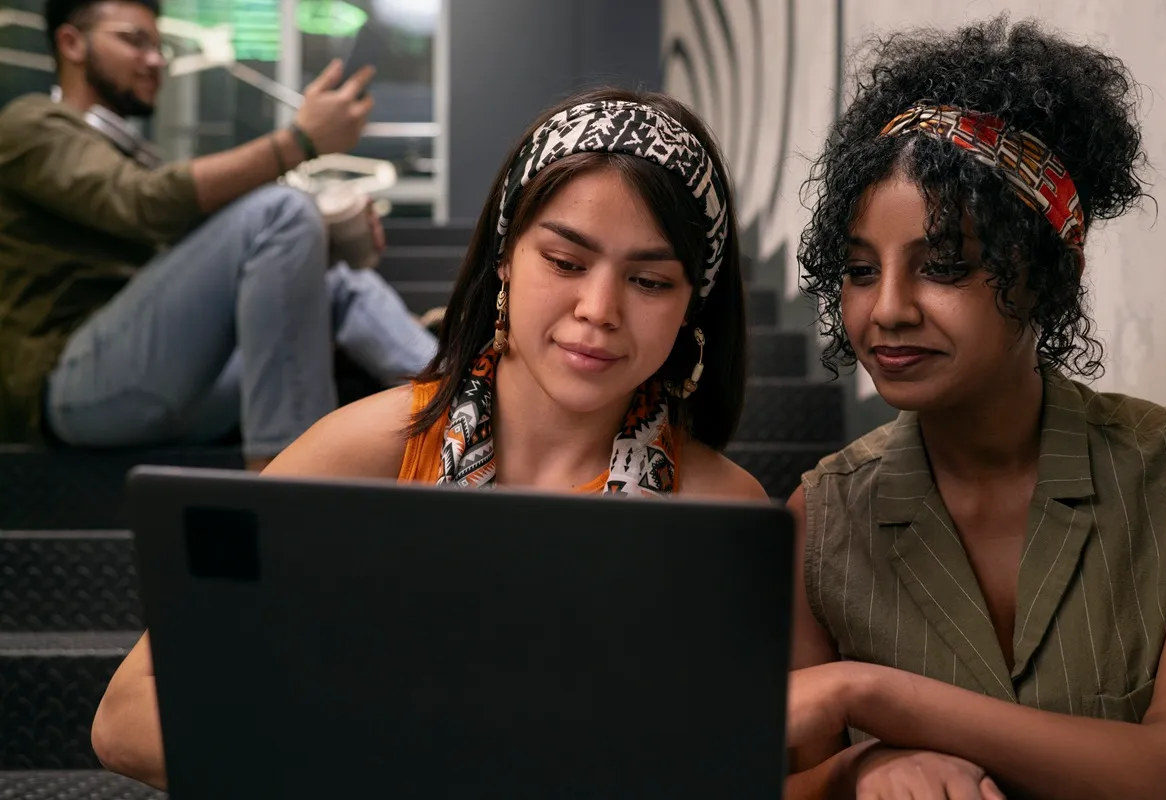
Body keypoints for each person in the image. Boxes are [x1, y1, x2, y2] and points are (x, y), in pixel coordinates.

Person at [90, 86, 768, 788]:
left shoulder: (727, 514)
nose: (599, 309)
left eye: (650, 280)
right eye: (565, 262)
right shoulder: (364, 450)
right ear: (506, 257)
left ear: (694, 303)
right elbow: (128, 714)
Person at [781, 16, 1166, 800]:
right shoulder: (824, 518)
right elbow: (784, 779)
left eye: (942, 266)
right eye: (861, 270)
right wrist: (864, 765)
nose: (889, 309)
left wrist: (870, 693)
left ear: (1046, 278)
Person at [0, 0, 438, 470]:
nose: (156, 60)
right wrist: (300, 143)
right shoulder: (31, 126)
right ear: (71, 44)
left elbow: (198, 229)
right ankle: (288, 500)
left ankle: (467, 404)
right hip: (72, 388)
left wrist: (323, 236)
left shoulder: (131, 151)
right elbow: (145, 203)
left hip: (167, 381)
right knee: (281, 211)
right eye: (134, 40)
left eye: (158, 45)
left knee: (327, 273)